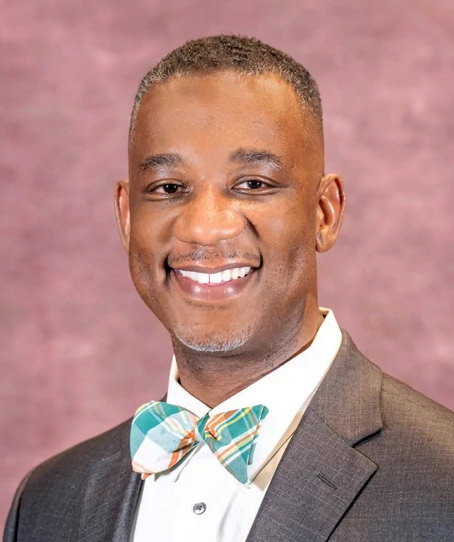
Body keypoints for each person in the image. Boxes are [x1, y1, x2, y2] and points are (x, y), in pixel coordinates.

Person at [4, 35, 454, 542]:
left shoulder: (444, 483)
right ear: (127, 217)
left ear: (324, 213)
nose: (205, 228)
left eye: (254, 184)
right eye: (169, 189)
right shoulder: (47, 503)